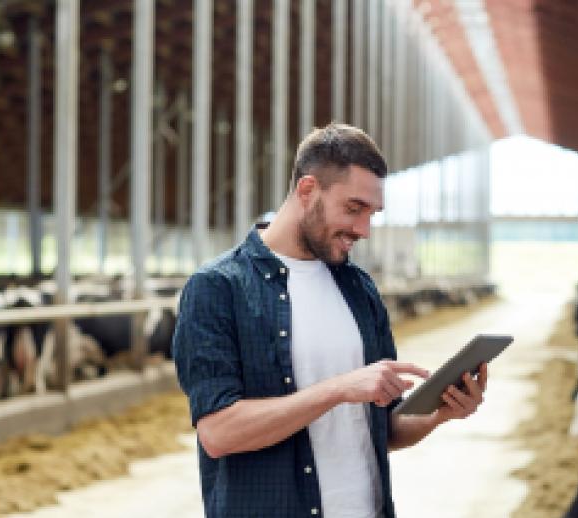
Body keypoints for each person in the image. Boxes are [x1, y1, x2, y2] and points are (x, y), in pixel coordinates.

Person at [172, 123, 488, 518]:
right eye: (353, 209)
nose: (364, 230)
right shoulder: (218, 288)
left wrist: (439, 414)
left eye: (372, 214)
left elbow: (381, 429)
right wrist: (337, 389)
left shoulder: (359, 288)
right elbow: (219, 434)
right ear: (307, 190)